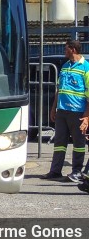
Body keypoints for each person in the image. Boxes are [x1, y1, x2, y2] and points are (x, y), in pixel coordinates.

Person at [40, 40, 89, 182]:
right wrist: (54, 108)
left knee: (78, 144)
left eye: (66, 48)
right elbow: (59, 89)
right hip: (62, 110)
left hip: (78, 112)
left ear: (73, 49)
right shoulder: (65, 66)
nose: (64, 50)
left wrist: (86, 116)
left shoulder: (86, 68)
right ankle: (55, 171)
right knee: (59, 143)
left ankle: (77, 172)